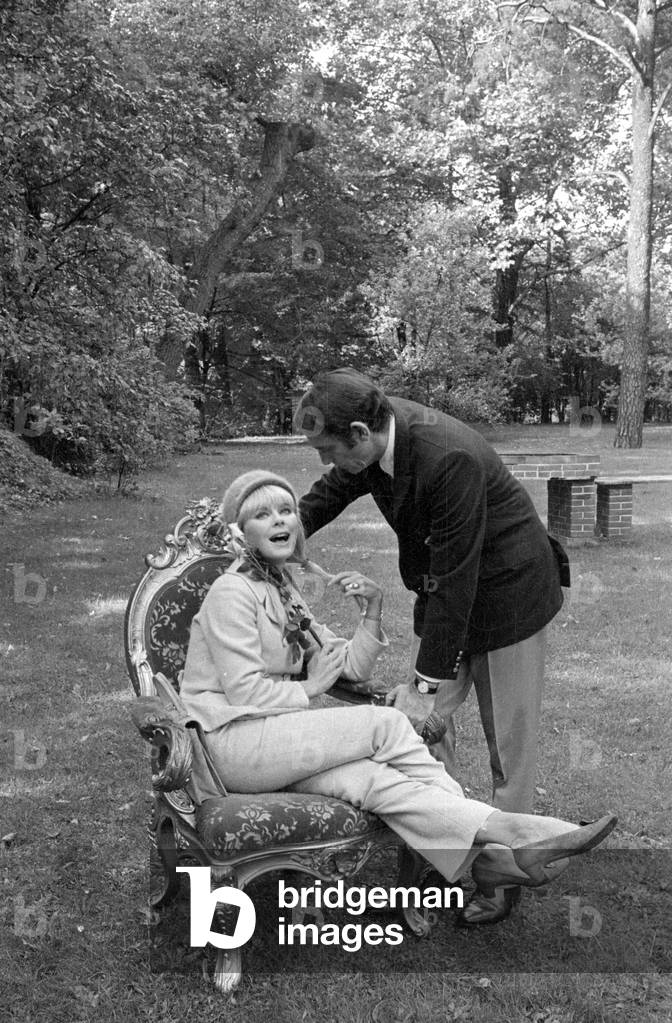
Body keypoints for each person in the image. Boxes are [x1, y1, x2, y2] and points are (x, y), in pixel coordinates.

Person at [178, 469, 615, 918]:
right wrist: (310, 687)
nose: (279, 521)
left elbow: (345, 665)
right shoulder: (232, 592)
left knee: (379, 782)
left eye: (287, 510)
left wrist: (372, 611)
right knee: (385, 723)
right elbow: (245, 692)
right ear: (241, 533)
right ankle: (516, 835)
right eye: (262, 515)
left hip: (276, 745)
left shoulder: (279, 588)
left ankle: (490, 858)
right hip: (229, 743)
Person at [295, 369, 572, 924]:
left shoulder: (449, 457)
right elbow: (331, 492)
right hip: (449, 596)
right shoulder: (373, 439)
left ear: (358, 432)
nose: (327, 461)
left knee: (507, 749)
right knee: (417, 731)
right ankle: (447, 848)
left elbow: (457, 576)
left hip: (509, 595)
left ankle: (503, 876)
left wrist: (424, 683)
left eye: (329, 449)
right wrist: (276, 531)